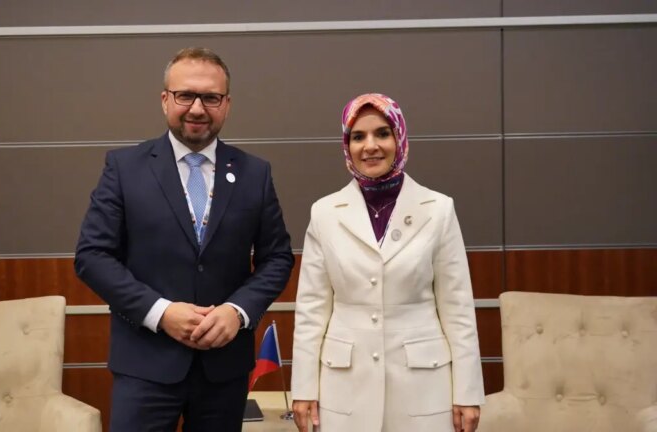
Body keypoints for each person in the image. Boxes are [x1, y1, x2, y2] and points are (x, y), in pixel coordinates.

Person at [75, 47, 294, 432]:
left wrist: (237, 312)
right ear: (165, 100)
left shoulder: (254, 174)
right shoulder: (124, 168)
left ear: (226, 104)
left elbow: (277, 258)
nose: (197, 108)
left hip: (223, 368)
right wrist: (161, 313)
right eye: (185, 95)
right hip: (145, 364)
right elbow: (92, 256)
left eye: (210, 98)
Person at [290, 93, 484, 432]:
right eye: (358, 136)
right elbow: (311, 310)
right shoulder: (324, 213)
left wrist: (468, 393)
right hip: (344, 386)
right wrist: (304, 388)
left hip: (423, 387)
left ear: (400, 137)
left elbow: (458, 308)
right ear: (347, 145)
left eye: (382, 133)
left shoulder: (438, 209)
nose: (370, 146)